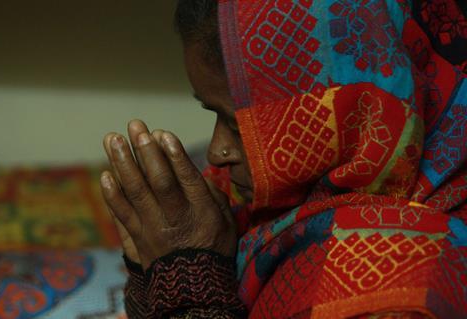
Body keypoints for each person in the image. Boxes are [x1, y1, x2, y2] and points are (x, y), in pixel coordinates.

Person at [100, 0, 467, 318]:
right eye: (214, 114)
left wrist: (190, 282)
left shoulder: (403, 287)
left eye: (238, 124)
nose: (217, 152)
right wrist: (153, 267)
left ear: (348, 112)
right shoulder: (263, 204)